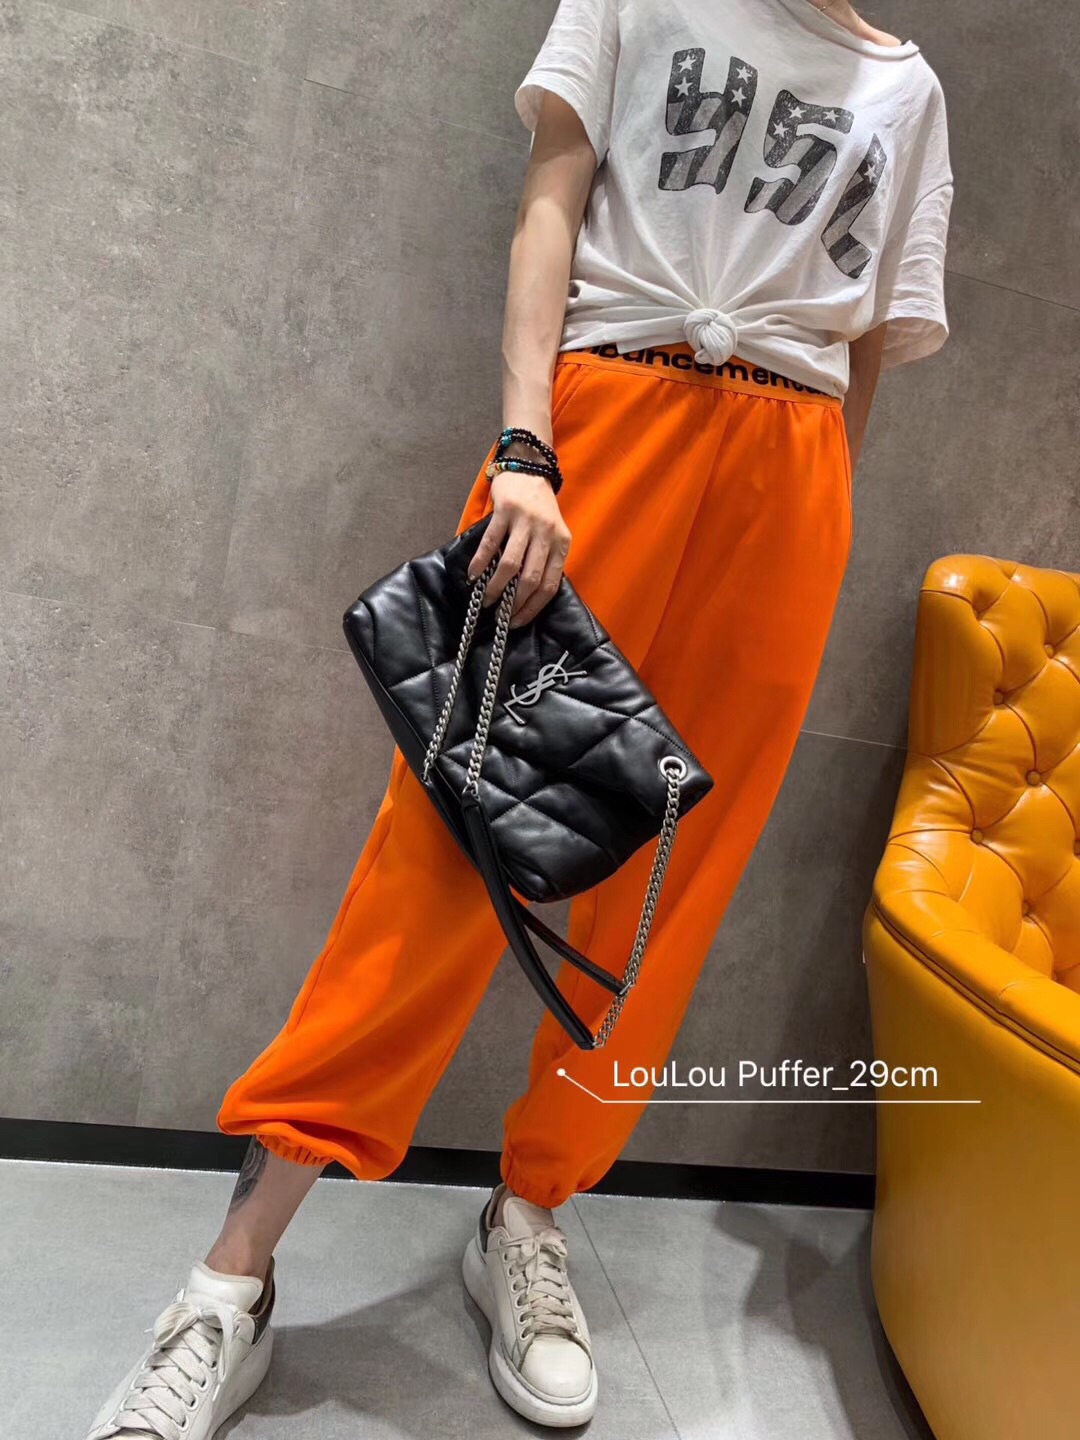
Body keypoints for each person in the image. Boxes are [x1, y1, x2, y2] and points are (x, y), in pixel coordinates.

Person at [85, 0, 952, 1434]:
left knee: (666, 883)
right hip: (602, 429)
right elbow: (553, 204)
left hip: (787, 488)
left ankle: (530, 1214)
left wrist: (811, 506)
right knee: (444, 852)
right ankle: (235, 1275)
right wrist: (525, 449)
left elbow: (862, 352)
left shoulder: (908, 94)